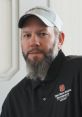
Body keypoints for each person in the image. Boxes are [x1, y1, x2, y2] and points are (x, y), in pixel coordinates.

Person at [0, 6, 82, 117]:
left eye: (42, 34)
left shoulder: (78, 72)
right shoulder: (14, 99)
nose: (33, 42)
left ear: (60, 39)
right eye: (27, 35)